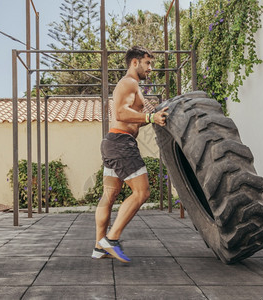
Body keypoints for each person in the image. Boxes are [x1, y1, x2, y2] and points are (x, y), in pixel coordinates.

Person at [92, 46, 169, 263]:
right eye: (148, 63)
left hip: (112, 142)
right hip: (121, 144)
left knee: (109, 196)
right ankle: (111, 239)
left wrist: (152, 117)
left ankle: (99, 246)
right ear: (135, 62)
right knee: (142, 192)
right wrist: (149, 118)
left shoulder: (132, 86)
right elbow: (120, 113)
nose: (150, 68)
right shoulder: (129, 82)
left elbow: (131, 119)